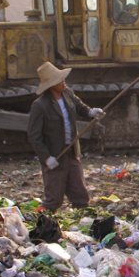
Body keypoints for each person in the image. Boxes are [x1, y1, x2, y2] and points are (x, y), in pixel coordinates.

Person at [27, 62, 104, 212]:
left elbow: (80, 106)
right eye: (59, 80)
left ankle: (83, 224)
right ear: (51, 85)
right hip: (55, 155)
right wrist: (47, 158)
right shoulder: (40, 106)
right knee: (53, 200)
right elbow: (34, 136)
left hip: (71, 154)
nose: (63, 81)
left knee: (81, 197)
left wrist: (91, 112)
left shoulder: (67, 93)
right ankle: (43, 226)